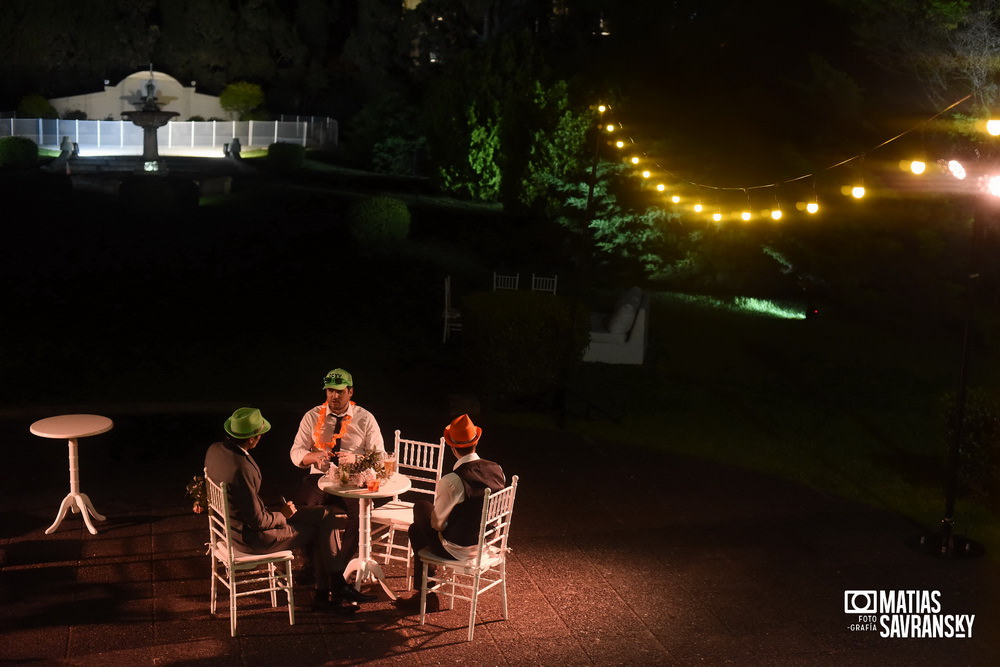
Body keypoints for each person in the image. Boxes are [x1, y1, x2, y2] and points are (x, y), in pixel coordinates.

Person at [204, 407, 363, 613]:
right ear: (253, 439)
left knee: (326, 515)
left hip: (235, 526)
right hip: (252, 537)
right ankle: (325, 595)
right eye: (259, 434)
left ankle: (337, 585)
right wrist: (283, 515)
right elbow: (258, 522)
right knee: (320, 531)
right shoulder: (241, 469)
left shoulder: (215, 450)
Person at [289, 368, 386, 601]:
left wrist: (357, 459)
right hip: (320, 477)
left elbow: (380, 457)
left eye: (339, 391)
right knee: (303, 509)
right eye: (330, 390)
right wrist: (315, 457)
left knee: (360, 518)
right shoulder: (312, 416)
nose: (334, 396)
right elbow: (296, 452)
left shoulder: (365, 418)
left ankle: (337, 571)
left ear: (350, 392)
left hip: (353, 479)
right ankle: (311, 565)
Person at [395, 413, 505, 612]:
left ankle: (426, 595)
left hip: (459, 549)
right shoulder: (496, 469)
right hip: (487, 542)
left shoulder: (452, 480)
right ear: (475, 442)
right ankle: (424, 595)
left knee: (420, 508)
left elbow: (437, 525)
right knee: (416, 529)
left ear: (452, 447)